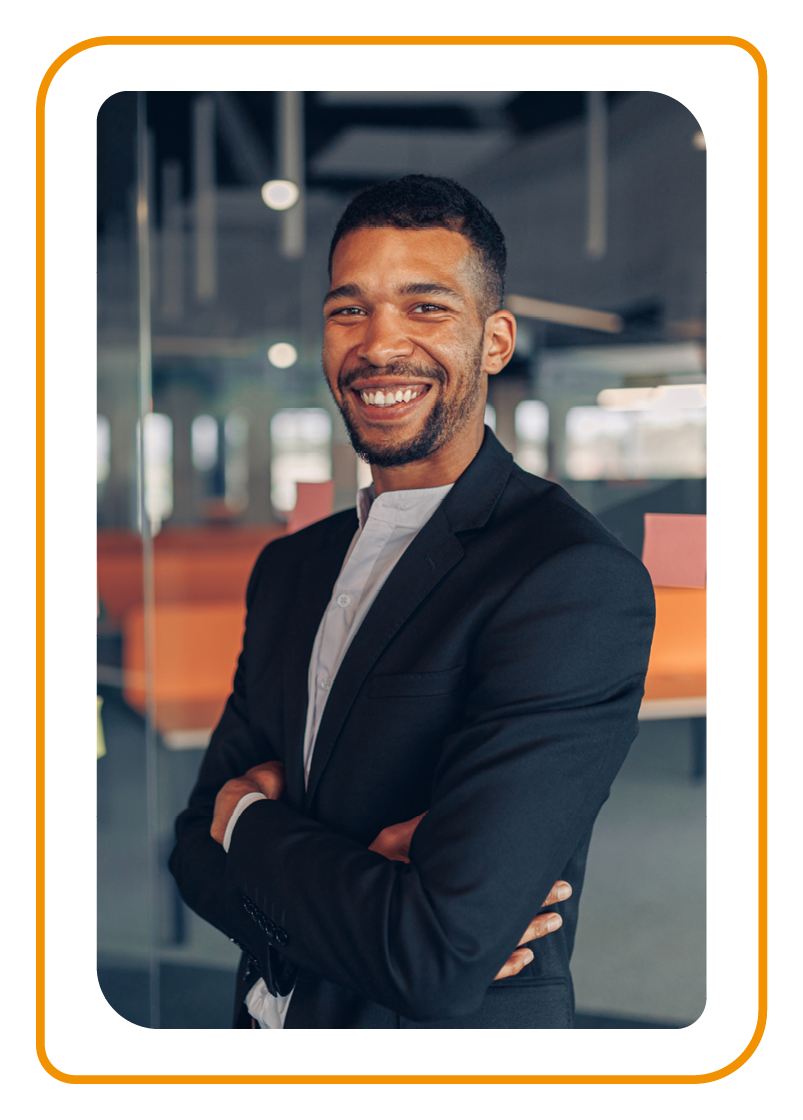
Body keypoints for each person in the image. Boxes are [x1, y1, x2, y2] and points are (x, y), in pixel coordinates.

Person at [169, 175, 655, 1029]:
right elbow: (188, 856)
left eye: (424, 308)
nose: (378, 344)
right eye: (348, 310)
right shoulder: (290, 568)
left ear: (494, 340)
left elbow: (434, 955)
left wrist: (245, 820)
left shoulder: (569, 578)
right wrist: (368, 898)